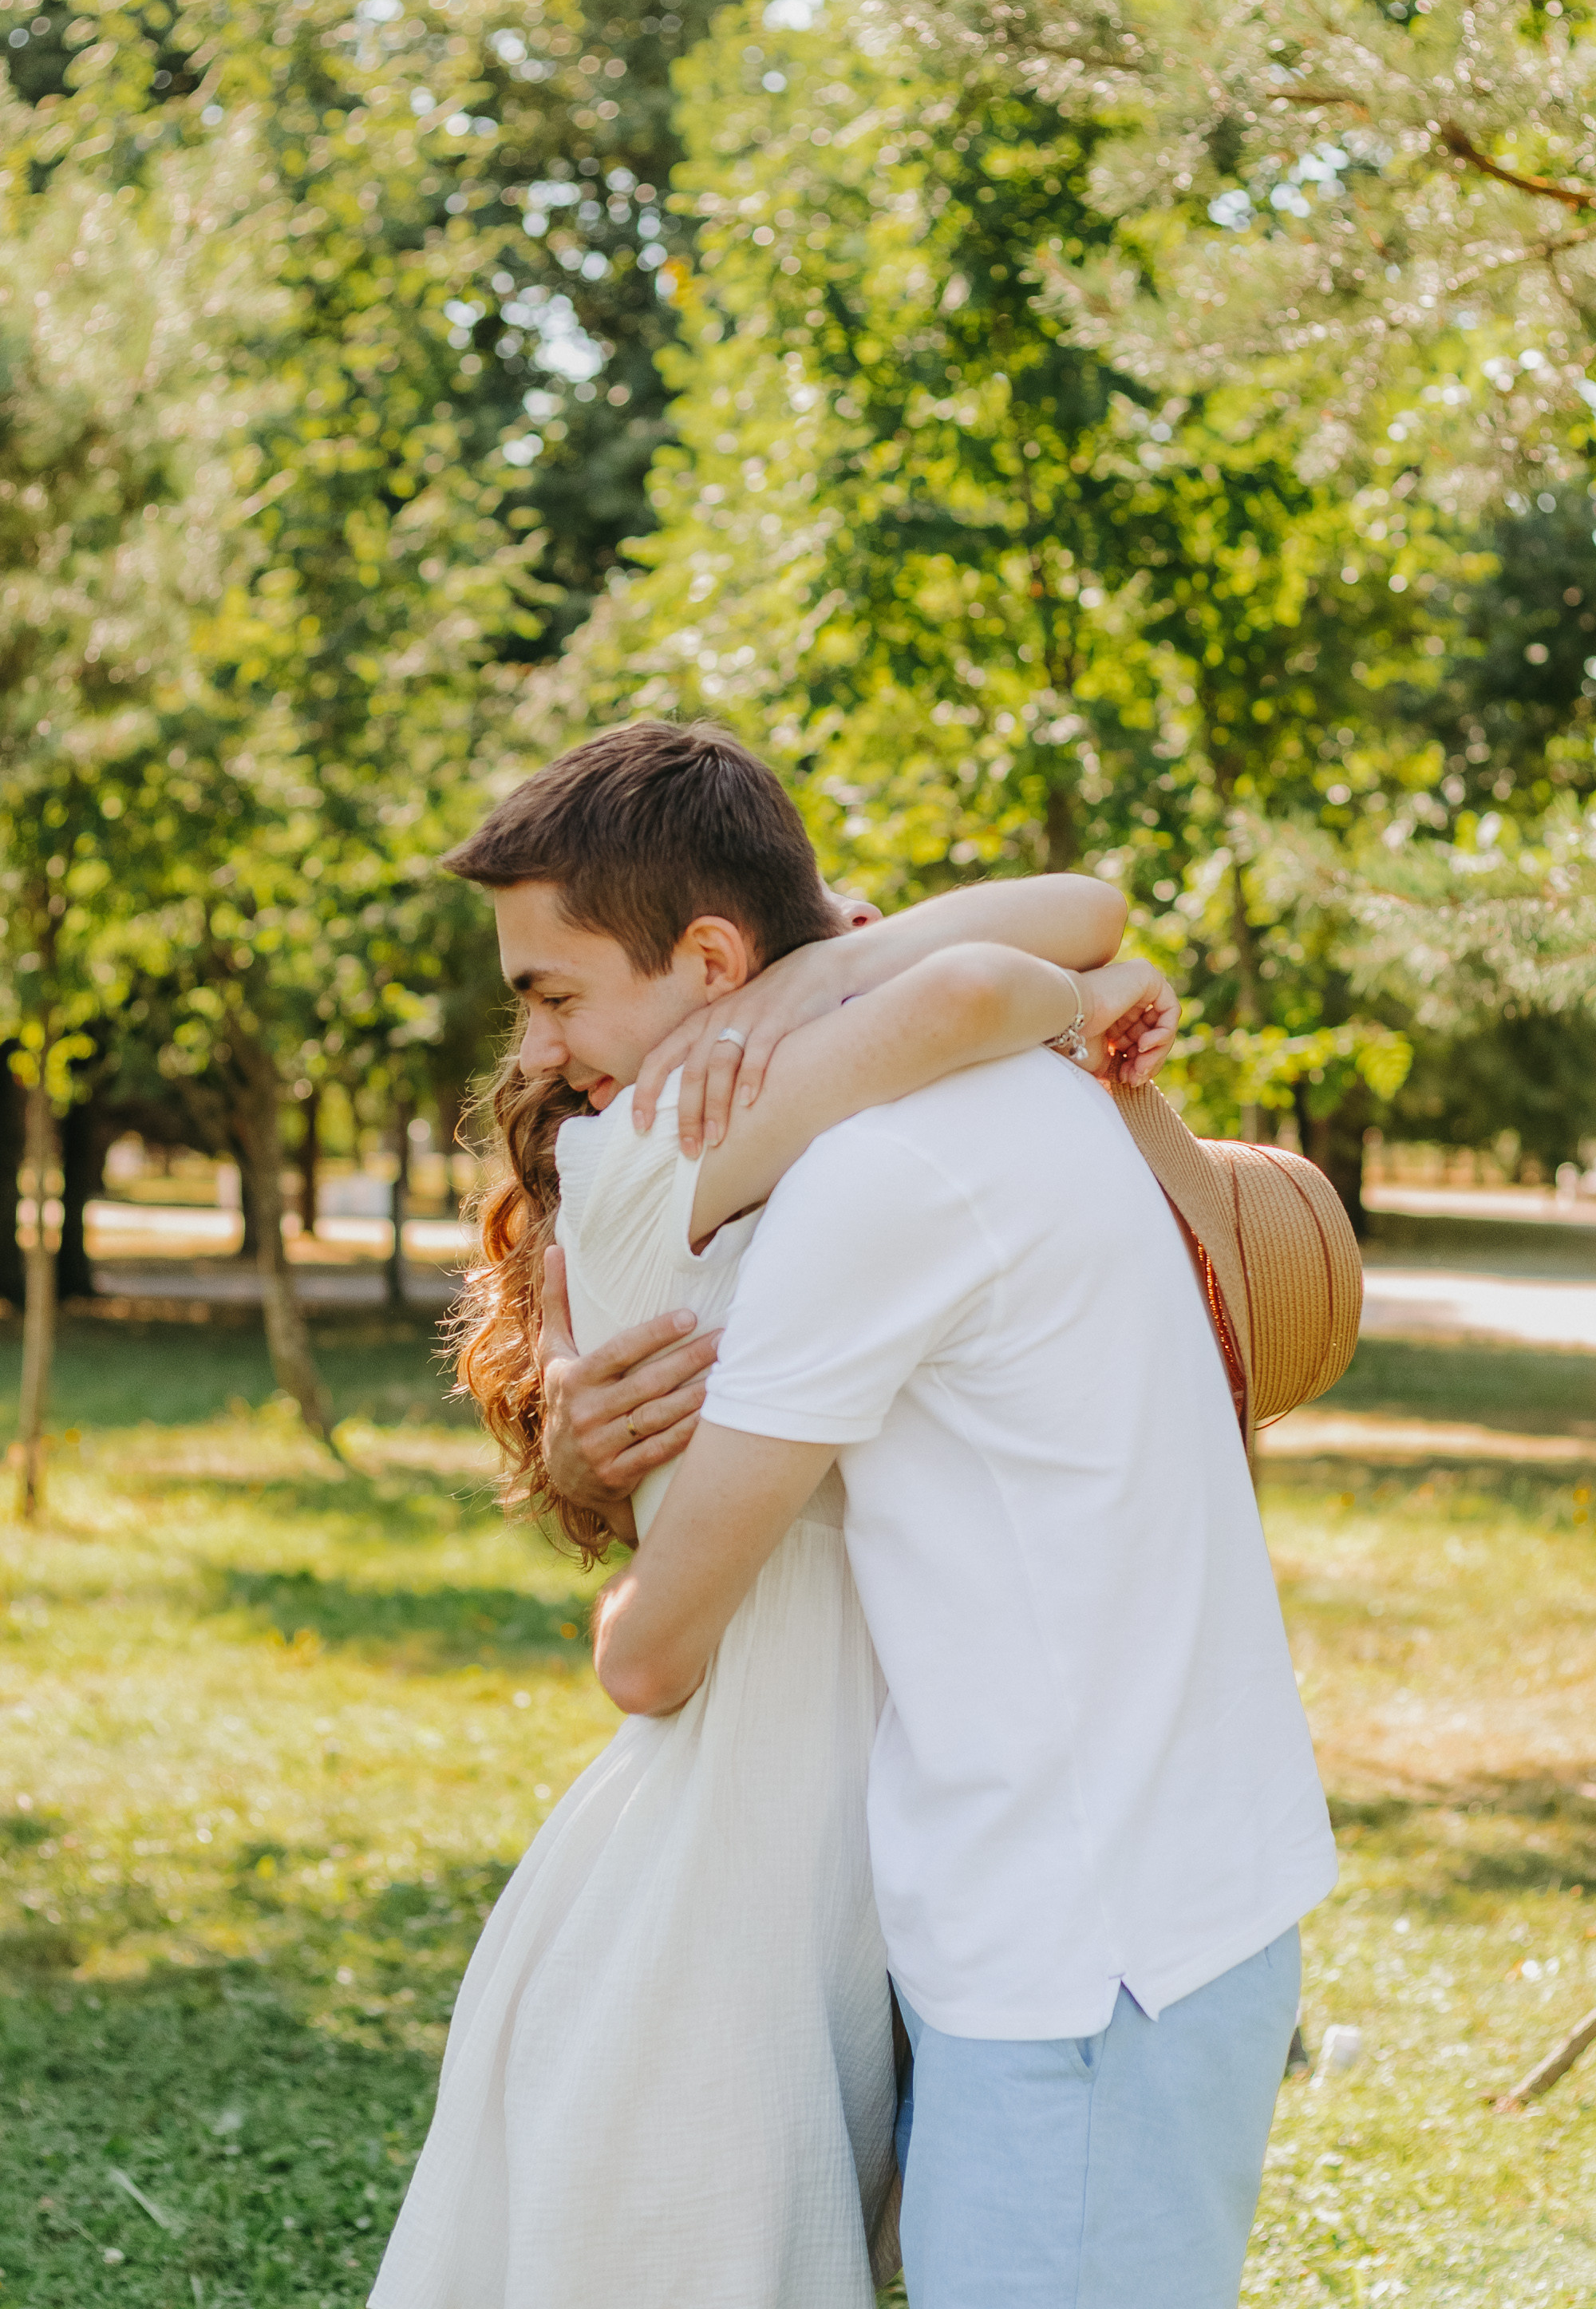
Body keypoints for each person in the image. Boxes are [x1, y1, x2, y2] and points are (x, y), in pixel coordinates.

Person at [370, 720, 1177, 2309]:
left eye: (549, 996)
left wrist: (831, 978)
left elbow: (1083, 904)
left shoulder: (771, 1110)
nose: (530, 1051)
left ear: (713, 955)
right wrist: (1047, 998)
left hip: (818, 1868)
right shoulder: (652, 1144)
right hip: (712, 1905)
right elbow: (1021, 963)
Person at [586, 865, 1340, 2305]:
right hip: (1144, 1908)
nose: (561, 1052)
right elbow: (1067, 920)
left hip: (1085, 1958)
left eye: (561, 1000)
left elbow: (652, 1652)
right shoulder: (1043, 1103)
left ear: (719, 973)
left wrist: (620, 1586)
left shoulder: (886, 1178)